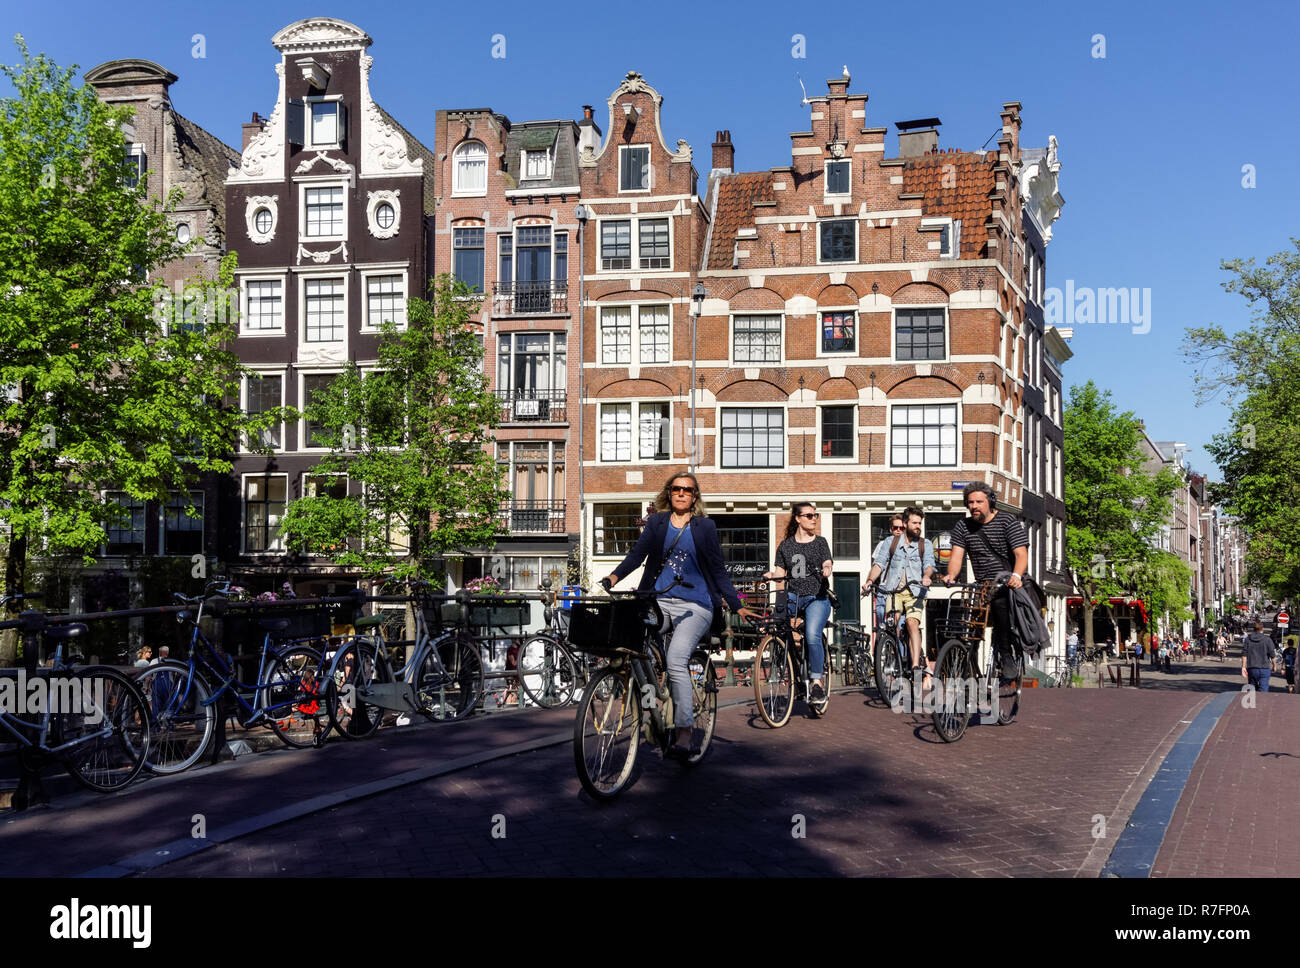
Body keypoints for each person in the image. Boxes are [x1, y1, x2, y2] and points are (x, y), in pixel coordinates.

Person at [602, 470, 757, 757]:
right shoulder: (658, 523)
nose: (682, 493)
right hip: (658, 601)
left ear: (694, 496)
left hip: (695, 605)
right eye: (676, 489)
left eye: (687, 489)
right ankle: (652, 708)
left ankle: (685, 733)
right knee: (634, 645)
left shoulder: (705, 527)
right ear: (669, 493)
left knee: (675, 659)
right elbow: (637, 556)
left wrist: (736, 604)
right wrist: (612, 578)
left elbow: (718, 570)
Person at [941, 482, 1028, 680]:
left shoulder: (1007, 521)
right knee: (968, 623)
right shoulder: (963, 526)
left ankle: (1006, 655)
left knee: (1000, 604)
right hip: (981, 585)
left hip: (1006, 582)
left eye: (979, 501)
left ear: (990, 501)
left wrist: (1016, 576)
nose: (974, 506)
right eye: (970, 502)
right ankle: (968, 662)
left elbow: (1021, 554)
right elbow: (956, 557)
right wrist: (951, 575)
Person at [765, 501, 834, 710]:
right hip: (793, 596)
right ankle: (793, 669)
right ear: (798, 518)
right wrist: (770, 575)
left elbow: (827, 562)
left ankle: (816, 682)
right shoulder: (786, 546)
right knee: (779, 629)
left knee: (812, 634)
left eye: (815, 515)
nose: (814, 519)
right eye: (809, 516)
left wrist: (826, 569)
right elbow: (779, 574)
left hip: (817, 597)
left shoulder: (820, 542)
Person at [863, 506, 936, 678]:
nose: (918, 526)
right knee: (891, 624)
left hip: (915, 592)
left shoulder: (924, 544)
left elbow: (929, 565)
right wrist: (869, 581)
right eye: (915, 522)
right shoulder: (891, 542)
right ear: (905, 523)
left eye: (920, 523)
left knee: (911, 622)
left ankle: (916, 665)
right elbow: (879, 564)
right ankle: (895, 657)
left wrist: (926, 577)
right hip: (894, 592)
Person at [1241, 620, 1275, 693]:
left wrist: (1243, 667)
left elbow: (1244, 654)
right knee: (1264, 690)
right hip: (1264, 668)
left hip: (1252, 668)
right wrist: (1274, 665)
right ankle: (1261, 702)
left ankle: (1253, 702)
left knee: (1252, 689)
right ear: (1262, 629)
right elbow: (1272, 654)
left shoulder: (1248, 640)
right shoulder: (1267, 640)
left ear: (1253, 629)